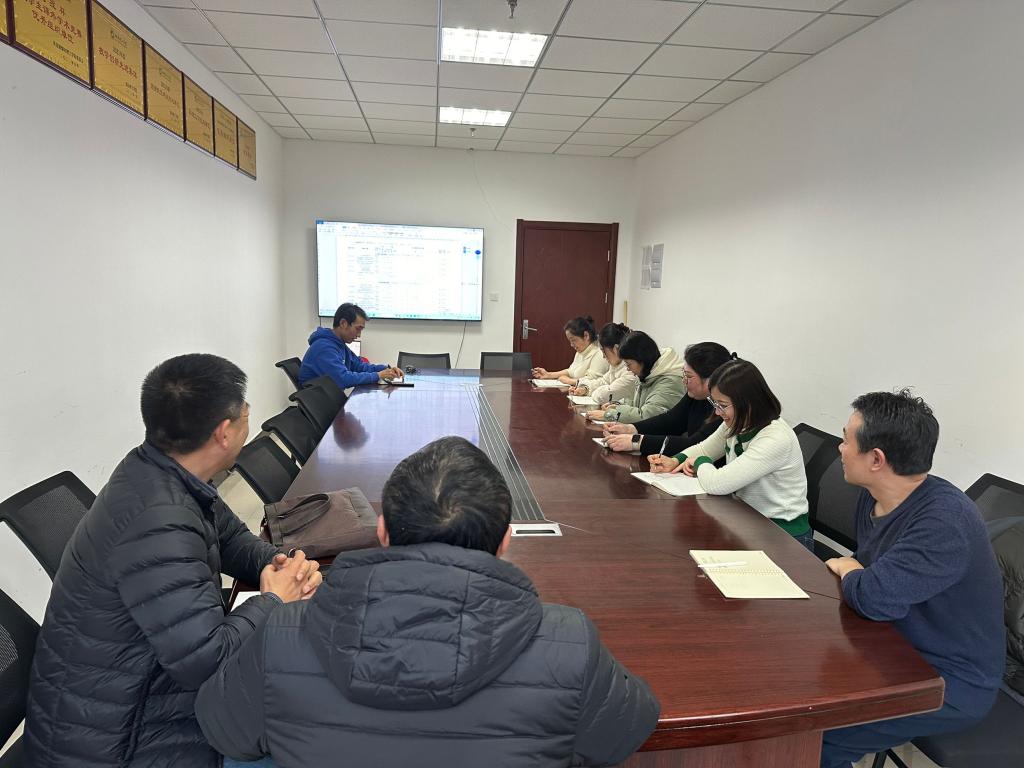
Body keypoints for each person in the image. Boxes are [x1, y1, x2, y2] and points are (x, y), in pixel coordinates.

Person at [196, 436, 661, 768]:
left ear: (382, 532)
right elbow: (627, 730)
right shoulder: (570, 643)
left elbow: (224, 732)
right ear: (504, 541)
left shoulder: (281, 633)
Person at [23, 354, 322, 768]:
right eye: (246, 414)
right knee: (308, 732)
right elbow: (208, 662)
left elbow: (231, 538)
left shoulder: (161, 469)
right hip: (119, 740)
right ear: (224, 433)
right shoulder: (158, 521)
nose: (248, 421)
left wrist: (282, 565)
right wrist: (271, 601)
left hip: (129, 694)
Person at [819, 391, 1004, 768]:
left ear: (876, 459)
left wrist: (851, 569)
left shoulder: (944, 521)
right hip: (893, 643)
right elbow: (870, 575)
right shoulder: (873, 496)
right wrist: (857, 571)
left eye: (845, 439)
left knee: (820, 735)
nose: (839, 448)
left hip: (950, 679)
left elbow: (872, 596)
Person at [649, 359, 811, 549]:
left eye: (723, 405)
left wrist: (700, 462)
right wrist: (675, 460)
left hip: (783, 536)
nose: (718, 412)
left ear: (748, 403)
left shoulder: (775, 438)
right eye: (714, 403)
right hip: (748, 521)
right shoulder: (738, 423)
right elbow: (704, 448)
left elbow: (718, 483)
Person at [603, 342, 734, 455]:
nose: (683, 380)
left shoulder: (726, 408)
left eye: (688, 376)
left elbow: (695, 444)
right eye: (683, 374)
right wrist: (631, 428)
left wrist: (637, 441)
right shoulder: (696, 395)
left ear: (711, 379)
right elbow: (671, 420)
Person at [585, 331, 685, 424]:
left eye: (628, 364)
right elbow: (639, 403)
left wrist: (610, 415)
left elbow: (647, 416)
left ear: (642, 359)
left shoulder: (670, 381)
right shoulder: (648, 372)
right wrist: (617, 404)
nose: (628, 369)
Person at [298, 302, 403, 388]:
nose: (359, 335)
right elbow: (343, 379)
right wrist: (378, 375)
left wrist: (386, 369)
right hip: (322, 404)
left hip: (329, 398)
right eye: (358, 329)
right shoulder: (324, 347)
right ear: (343, 323)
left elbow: (359, 366)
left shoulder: (338, 344)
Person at [568, 321, 638, 405]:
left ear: (616, 349)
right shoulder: (616, 365)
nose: (604, 357)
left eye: (604, 351)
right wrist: (585, 389)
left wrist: (597, 390)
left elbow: (604, 396)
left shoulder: (631, 371)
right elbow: (603, 381)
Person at [531, 315, 609, 385]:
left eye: (573, 340)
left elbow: (593, 381)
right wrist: (548, 375)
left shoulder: (599, 354)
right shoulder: (581, 352)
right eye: (570, 341)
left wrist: (569, 381)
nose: (571, 345)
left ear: (586, 336)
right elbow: (571, 371)